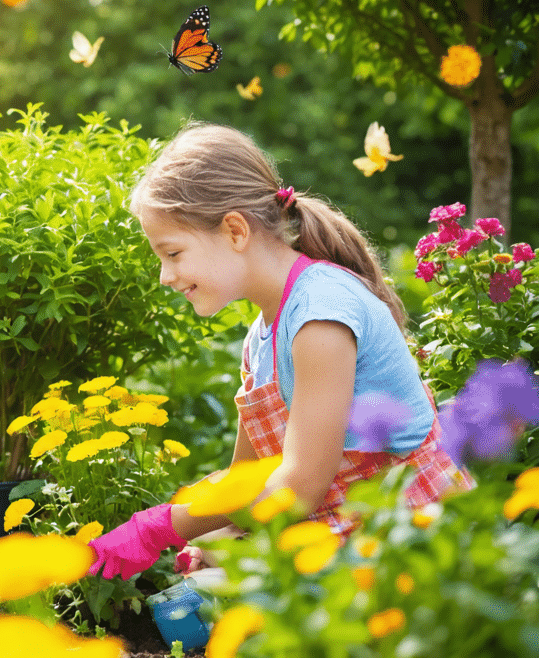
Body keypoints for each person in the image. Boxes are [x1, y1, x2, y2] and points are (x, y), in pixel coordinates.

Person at [88, 123, 475, 581]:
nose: (164, 276)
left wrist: (160, 527)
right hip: (351, 540)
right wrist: (216, 536)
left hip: (419, 544)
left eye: (172, 253)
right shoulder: (262, 336)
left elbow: (300, 487)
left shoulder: (320, 317)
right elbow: (248, 480)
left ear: (235, 230)